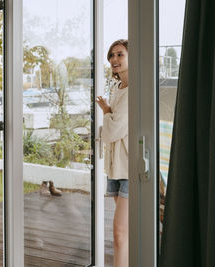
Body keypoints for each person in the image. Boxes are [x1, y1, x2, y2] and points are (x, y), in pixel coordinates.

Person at [96, 39, 129, 267]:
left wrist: (106, 111)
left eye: (120, 55)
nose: (114, 59)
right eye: (111, 55)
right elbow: (111, 129)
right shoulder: (118, 88)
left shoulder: (134, 90)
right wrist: (109, 113)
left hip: (130, 167)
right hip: (115, 167)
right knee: (124, 233)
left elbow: (113, 131)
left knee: (118, 233)